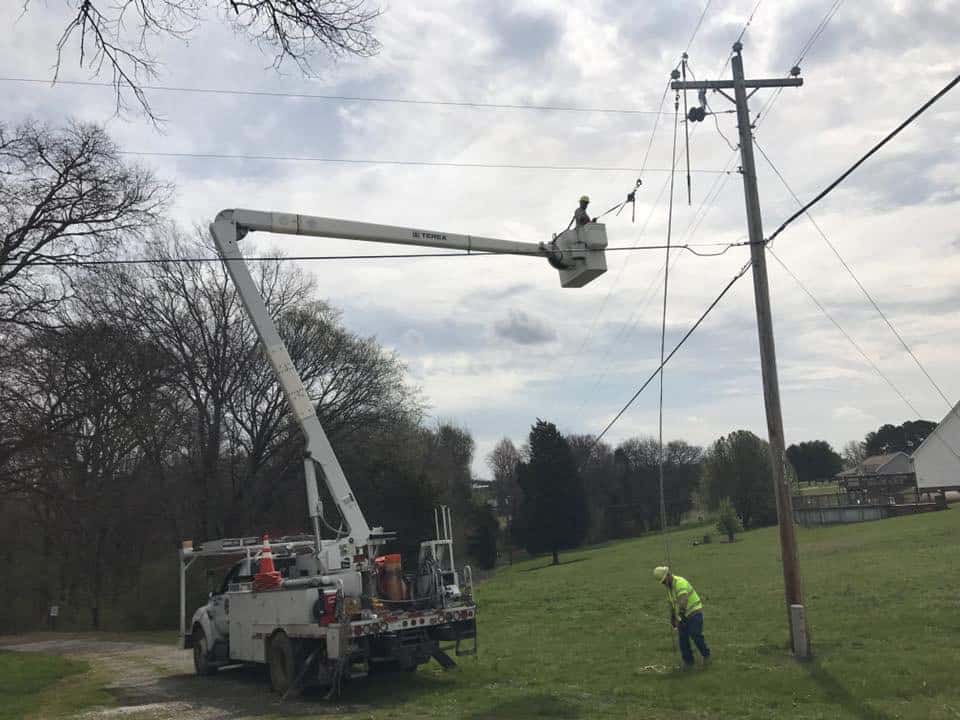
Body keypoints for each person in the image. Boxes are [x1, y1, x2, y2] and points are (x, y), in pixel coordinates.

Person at [653, 566, 710, 669]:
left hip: (694, 612)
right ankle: (688, 662)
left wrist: (681, 615)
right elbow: (672, 604)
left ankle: (706, 655)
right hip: (683, 615)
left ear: (668, 575)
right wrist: (673, 618)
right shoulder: (669, 588)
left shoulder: (680, 582)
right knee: (683, 639)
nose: (664, 583)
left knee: (695, 634)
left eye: (664, 581)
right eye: (662, 582)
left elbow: (683, 600)